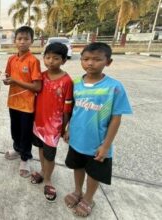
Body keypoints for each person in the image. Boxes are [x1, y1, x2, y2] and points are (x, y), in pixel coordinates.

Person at [63, 42, 132, 217]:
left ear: (108, 62)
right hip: (77, 139)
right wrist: (68, 128)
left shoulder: (114, 87)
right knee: (77, 167)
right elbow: (73, 109)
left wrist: (106, 145)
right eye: (86, 59)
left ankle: (88, 198)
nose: (90, 63)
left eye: (97, 59)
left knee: (94, 173)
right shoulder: (76, 83)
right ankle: (78, 191)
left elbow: (116, 118)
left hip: (98, 143)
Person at [30, 42, 74, 202]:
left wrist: (65, 127)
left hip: (53, 127)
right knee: (41, 149)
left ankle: (48, 179)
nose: (50, 61)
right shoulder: (41, 76)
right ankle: (42, 172)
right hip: (39, 123)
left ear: (64, 60)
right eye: (47, 57)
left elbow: (68, 107)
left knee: (50, 155)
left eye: (55, 58)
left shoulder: (67, 81)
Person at [3, 26, 42, 178]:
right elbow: (8, 79)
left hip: (27, 105)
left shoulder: (33, 61)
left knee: (26, 133)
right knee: (15, 130)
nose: (22, 42)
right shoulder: (11, 59)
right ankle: (17, 149)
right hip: (13, 102)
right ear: (15, 41)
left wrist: (15, 81)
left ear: (32, 41)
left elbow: (37, 86)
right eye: (19, 39)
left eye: (26, 39)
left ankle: (25, 158)